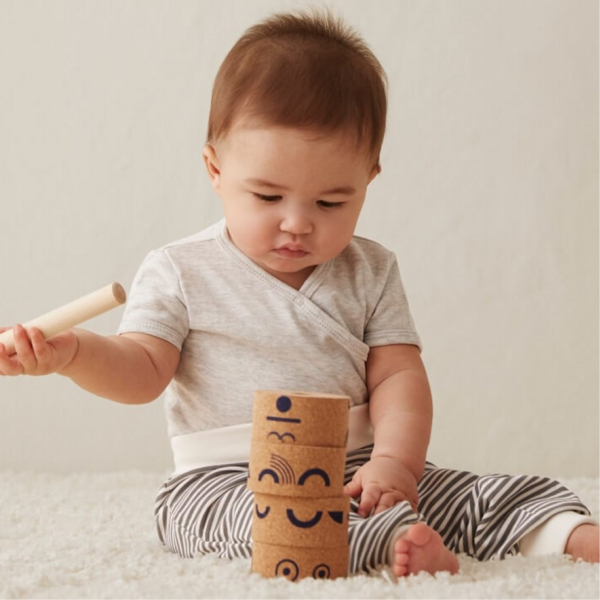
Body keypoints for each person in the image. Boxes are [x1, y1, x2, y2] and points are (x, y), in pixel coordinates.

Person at [1, 9, 599, 579]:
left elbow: (398, 378)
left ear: (369, 179)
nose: (297, 223)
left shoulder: (372, 270)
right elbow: (143, 371)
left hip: (357, 464)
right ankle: (383, 541)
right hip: (229, 477)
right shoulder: (182, 269)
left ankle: (559, 533)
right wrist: (74, 353)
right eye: (267, 197)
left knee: (477, 490)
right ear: (214, 169)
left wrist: (395, 463)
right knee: (238, 520)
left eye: (331, 202)